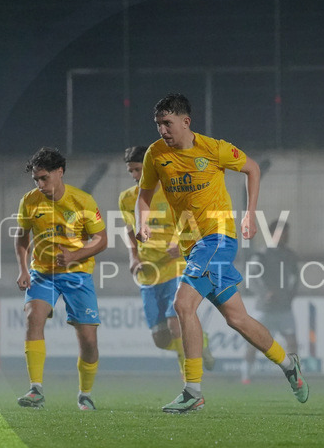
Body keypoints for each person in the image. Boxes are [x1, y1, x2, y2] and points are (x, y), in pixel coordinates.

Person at [135, 93, 308, 413]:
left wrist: (248, 214)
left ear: (186, 122)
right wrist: (141, 222)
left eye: (168, 123)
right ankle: (289, 366)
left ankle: (193, 391)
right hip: (193, 247)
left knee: (182, 303)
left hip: (218, 238)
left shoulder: (214, 149)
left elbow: (253, 169)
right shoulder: (155, 155)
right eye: (158, 124)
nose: (162, 130)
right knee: (238, 319)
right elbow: (144, 196)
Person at [14, 147, 107, 410]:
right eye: (36, 179)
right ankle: (36, 390)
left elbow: (102, 240)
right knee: (33, 317)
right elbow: (21, 237)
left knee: (88, 341)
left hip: (77, 275)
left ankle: (85, 393)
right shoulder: (30, 201)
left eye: (44, 178)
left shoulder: (83, 201)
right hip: (42, 274)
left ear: (59, 172)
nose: (40, 184)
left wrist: (75, 256)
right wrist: (23, 269)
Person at [118, 144, 213, 382]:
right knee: (160, 339)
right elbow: (130, 230)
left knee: (175, 324)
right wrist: (133, 256)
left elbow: (193, 226)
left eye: (138, 169)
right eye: (131, 171)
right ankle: (201, 344)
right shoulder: (127, 198)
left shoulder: (174, 192)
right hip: (149, 273)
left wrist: (180, 245)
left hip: (175, 267)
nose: (135, 176)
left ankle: (190, 385)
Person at [243, 219, 299, 384]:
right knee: (254, 342)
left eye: (287, 233)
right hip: (264, 308)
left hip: (284, 308)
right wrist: (264, 293)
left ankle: (295, 376)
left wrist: (291, 294)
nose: (286, 236)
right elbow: (250, 277)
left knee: (292, 343)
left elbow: (295, 278)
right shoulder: (261, 254)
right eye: (283, 233)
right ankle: (246, 375)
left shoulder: (290, 255)